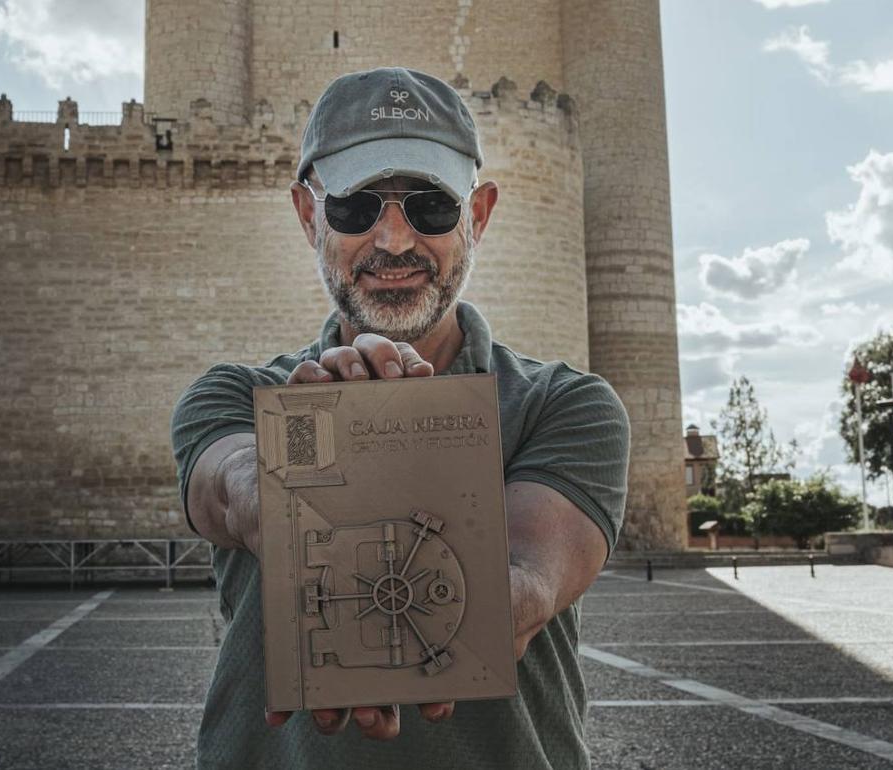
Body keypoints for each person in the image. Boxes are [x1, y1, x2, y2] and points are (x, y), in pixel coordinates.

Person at [171, 66, 629, 770]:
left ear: (477, 215)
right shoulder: (236, 398)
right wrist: (285, 467)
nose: (392, 241)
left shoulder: (569, 407)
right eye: (355, 208)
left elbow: (530, 582)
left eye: (430, 207)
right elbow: (228, 486)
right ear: (307, 215)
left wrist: (419, 627)